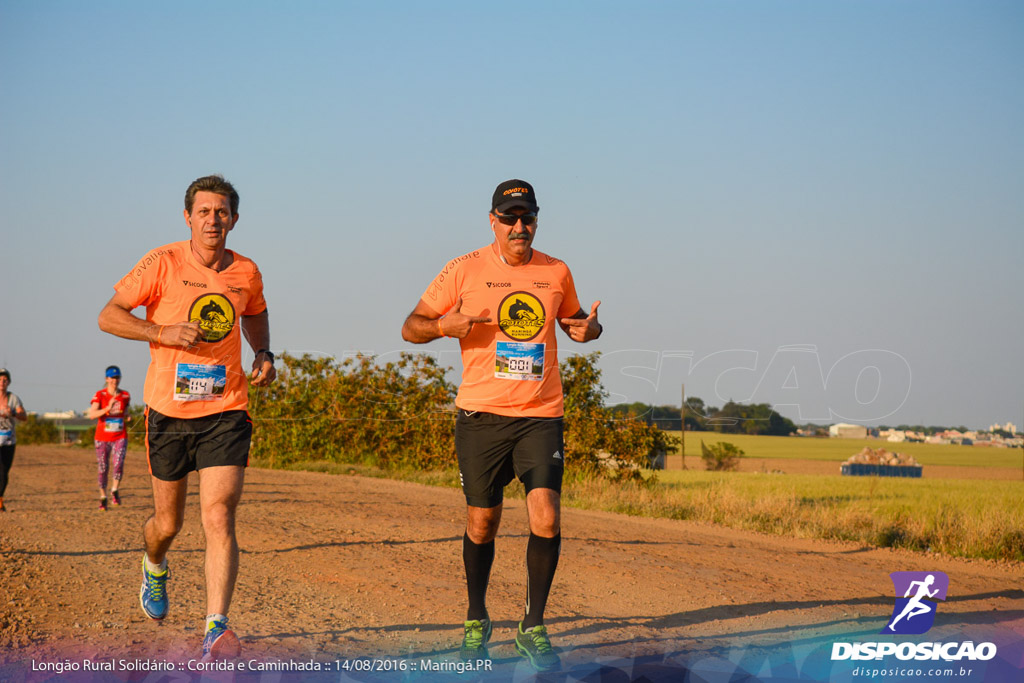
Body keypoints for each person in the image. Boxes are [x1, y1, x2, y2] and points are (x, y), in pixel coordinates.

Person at [401, 179, 602, 671]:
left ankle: (533, 626)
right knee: (482, 522)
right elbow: (411, 326)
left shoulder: (556, 272)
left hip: (539, 415)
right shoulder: (463, 269)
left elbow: (578, 323)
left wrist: (589, 330)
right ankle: (477, 617)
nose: (519, 227)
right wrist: (442, 326)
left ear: (536, 220)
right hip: (480, 416)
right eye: (510, 217)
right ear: (492, 220)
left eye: (527, 217)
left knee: (547, 515)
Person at [98, 175, 276, 661]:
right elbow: (109, 315)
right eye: (204, 211)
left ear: (234, 219)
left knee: (218, 514)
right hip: (169, 413)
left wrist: (263, 351)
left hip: (225, 408)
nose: (212, 220)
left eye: (222, 212)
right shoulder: (163, 262)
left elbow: (254, 312)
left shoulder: (247, 271)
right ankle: (154, 564)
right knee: (168, 523)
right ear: (188, 217)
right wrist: (161, 330)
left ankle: (215, 629)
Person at [86, 365, 131, 510]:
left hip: (120, 435)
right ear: (106, 379)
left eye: (117, 377)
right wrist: (107, 408)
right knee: (103, 467)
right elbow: (92, 414)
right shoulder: (100, 395)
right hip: (102, 437)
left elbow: (126, 411)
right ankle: (103, 496)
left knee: (118, 463)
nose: (114, 380)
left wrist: (127, 416)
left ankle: (114, 490)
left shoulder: (125, 395)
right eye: (112, 377)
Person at [0, 368, 28, 512]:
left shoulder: (13, 399)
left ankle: (0, 498)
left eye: (5, 380)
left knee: (4, 471)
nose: (2, 383)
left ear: (9, 382)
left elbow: (24, 416)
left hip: (8, 439)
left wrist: (13, 414)